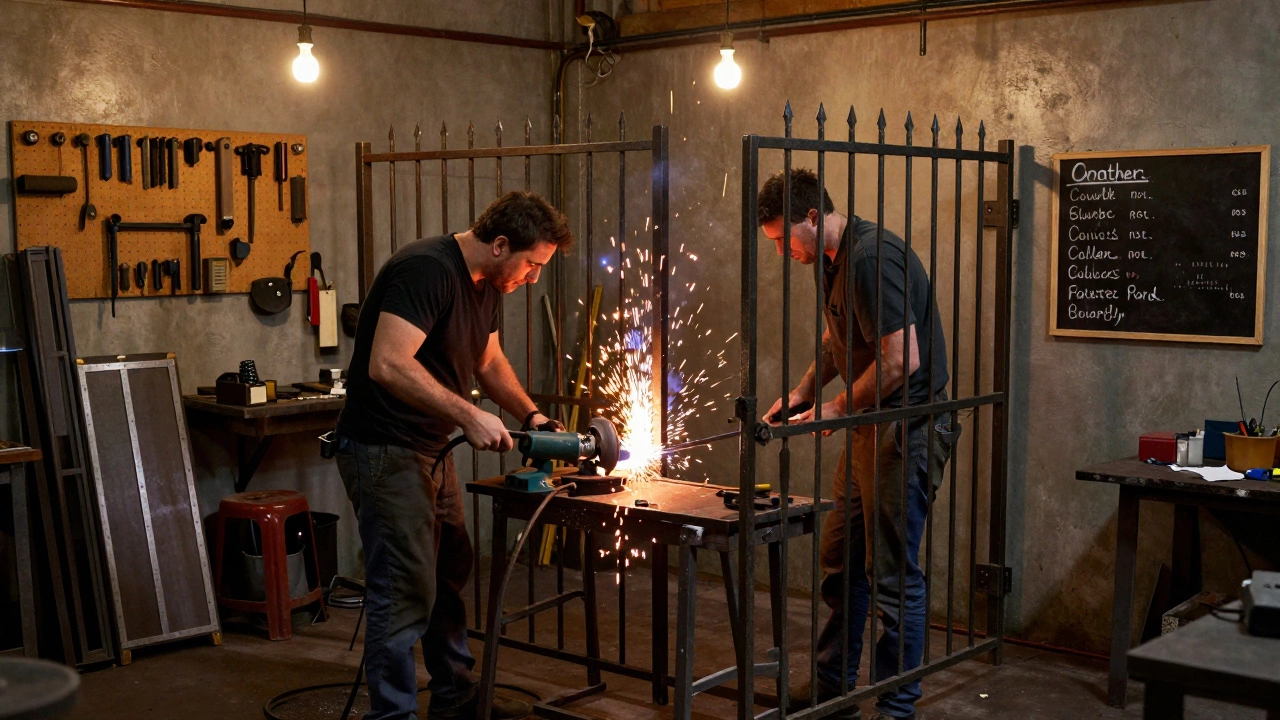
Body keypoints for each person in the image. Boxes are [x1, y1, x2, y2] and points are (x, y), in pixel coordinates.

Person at [334, 191, 573, 720]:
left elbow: (487, 361)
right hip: (385, 449)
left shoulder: (486, 282)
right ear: (500, 244)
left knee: (447, 571)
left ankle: (456, 696)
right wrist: (468, 415)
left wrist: (530, 415)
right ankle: (393, 714)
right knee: (404, 590)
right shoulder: (426, 269)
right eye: (532, 265)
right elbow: (387, 364)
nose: (533, 278)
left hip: (432, 450)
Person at [758, 169, 957, 720]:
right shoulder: (832, 261)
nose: (781, 251)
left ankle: (896, 707)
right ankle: (832, 687)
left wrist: (839, 407)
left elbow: (901, 358)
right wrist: (800, 395)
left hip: (907, 426)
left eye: (782, 239)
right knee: (842, 559)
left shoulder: (870, 258)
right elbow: (838, 340)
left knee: (893, 573)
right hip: (873, 423)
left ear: (814, 217)